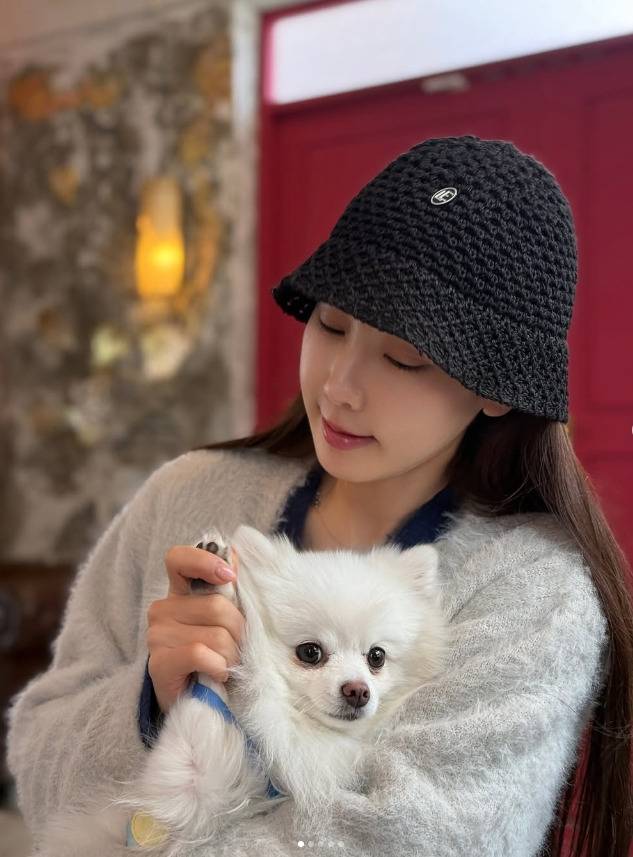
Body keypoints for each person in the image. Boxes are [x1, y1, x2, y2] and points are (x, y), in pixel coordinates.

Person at [6, 135, 633, 857]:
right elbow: (38, 757)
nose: (339, 387)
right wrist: (151, 700)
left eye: (404, 357)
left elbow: (424, 839)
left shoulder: (531, 592)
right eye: (331, 324)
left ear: (497, 389)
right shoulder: (188, 497)